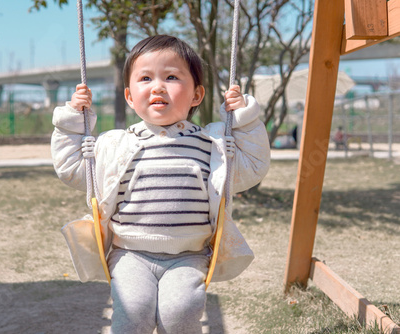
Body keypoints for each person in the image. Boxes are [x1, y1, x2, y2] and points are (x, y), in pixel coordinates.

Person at [51, 35, 270, 333]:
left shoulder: (211, 145)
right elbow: (72, 168)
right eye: (145, 78)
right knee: (133, 312)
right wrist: (71, 123)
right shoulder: (116, 144)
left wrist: (244, 119)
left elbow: (253, 167)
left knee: (179, 312)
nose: (157, 86)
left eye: (171, 77)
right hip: (129, 253)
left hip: (189, 255)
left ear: (196, 95)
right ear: (129, 96)